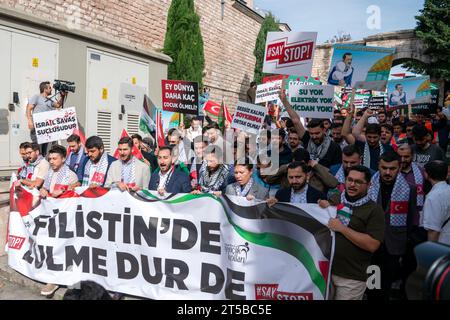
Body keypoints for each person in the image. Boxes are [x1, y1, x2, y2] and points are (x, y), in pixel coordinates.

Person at [324, 165, 384, 300]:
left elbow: (372, 245)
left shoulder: (375, 210)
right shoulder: (335, 199)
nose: (352, 184)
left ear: (369, 185)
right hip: (326, 272)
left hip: (352, 278)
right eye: (349, 180)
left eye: (358, 182)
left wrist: (342, 228)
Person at [367, 151, 417, 300]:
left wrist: (403, 239)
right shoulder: (369, 184)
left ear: (399, 167)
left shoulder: (410, 188)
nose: (387, 172)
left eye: (392, 168)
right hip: (371, 241)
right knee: (372, 282)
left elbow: (411, 217)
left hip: (393, 244)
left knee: (387, 283)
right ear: (378, 166)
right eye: (384, 168)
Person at [26, 81, 67, 156]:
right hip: (37, 129)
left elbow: (58, 105)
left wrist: (63, 96)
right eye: (50, 88)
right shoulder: (37, 97)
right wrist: (29, 121)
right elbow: (29, 108)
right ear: (45, 89)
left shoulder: (50, 100)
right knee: (37, 149)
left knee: (44, 152)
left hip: (46, 130)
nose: (51, 89)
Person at [422, 161, 450, 245]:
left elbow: (433, 230)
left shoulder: (433, 197)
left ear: (426, 175)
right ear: (446, 175)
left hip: (443, 245)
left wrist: (432, 254)